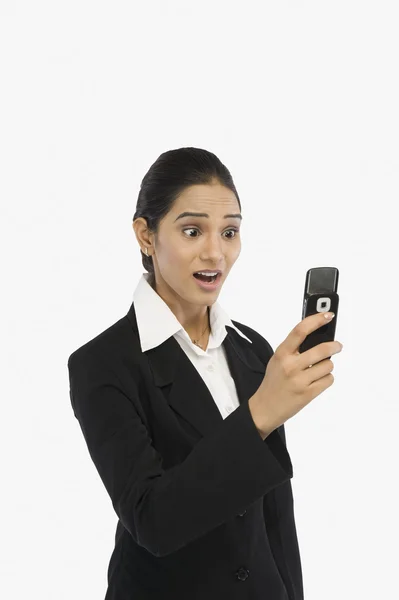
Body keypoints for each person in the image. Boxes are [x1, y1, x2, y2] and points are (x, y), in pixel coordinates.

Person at [68, 147, 342, 599]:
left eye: (229, 231)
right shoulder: (102, 364)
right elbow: (152, 521)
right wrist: (258, 415)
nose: (216, 253)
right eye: (192, 230)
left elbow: (275, 516)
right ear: (146, 235)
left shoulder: (252, 348)